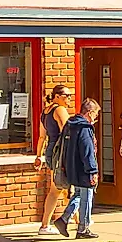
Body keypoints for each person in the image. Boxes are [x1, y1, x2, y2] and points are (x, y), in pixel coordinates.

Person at [54, 96, 102, 239]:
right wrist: (93, 170)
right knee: (87, 196)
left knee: (79, 194)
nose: (96, 117)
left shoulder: (70, 125)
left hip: (71, 166)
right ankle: (83, 228)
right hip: (83, 168)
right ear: (89, 112)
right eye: (95, 114)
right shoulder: (84, 128)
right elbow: (87, 151)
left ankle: (64, 219)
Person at [37, 85, 73, 231]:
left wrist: (38, 155)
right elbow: (67, 132)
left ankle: (76, 219)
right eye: (66, 95)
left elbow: (42, 136)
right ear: (57, 96)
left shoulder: (45, 112)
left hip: (51, 151)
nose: (69, 98)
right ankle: (45, 225)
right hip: (61, 152)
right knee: (58, 188)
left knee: (63, 187)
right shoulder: (60, 110)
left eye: (70, 95)